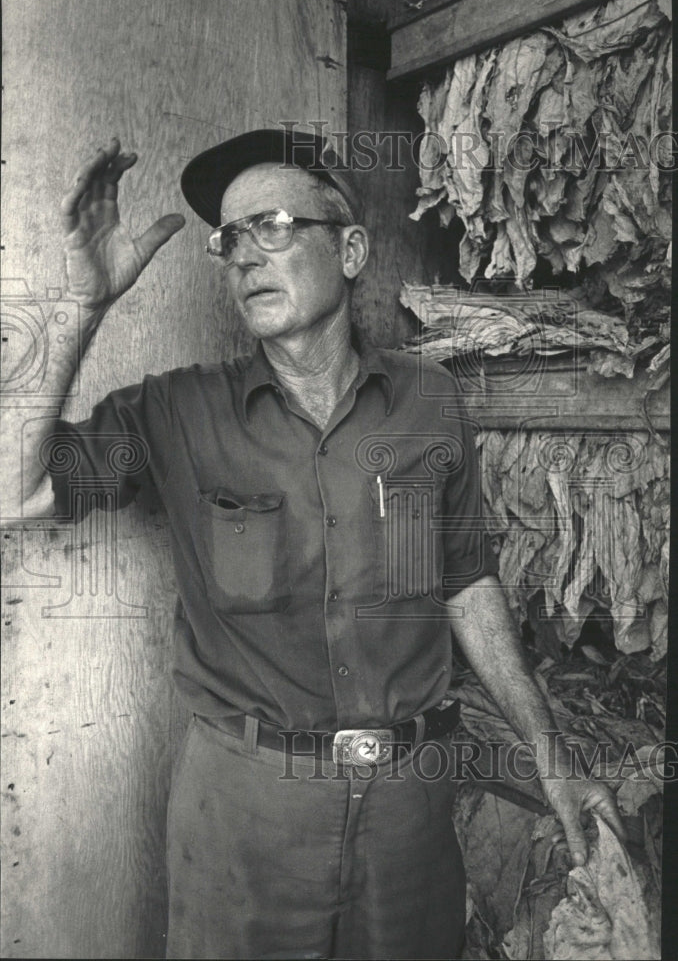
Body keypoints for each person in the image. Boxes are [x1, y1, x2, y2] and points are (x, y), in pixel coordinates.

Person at [3, 129, 625, 960]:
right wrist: (84, 304)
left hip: (409, 812)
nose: (243, 257)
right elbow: (17, 491)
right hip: (245, 815)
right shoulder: (178, 413)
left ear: (353, 249)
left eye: (273, 226)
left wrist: (551, 757)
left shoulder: (427, 403)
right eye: (229, 239)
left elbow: (466, 581)